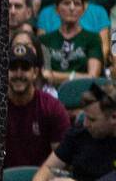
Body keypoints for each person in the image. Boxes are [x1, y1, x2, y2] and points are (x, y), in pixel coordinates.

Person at [14, 78, 116, 181]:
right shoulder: (80, 132)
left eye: (92, 119)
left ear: (114, 117)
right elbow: (48, 168)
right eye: (85, 116)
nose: (85, 124)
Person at [4, 37, 71, 168]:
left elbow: (63, 157)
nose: (18, 74)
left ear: (35, 72)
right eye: (13, 68)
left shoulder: (52, 107)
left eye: (24, 68)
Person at [39, 0, 103, 85]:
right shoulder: (45, 40)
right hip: (51, 93)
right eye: (66, 3)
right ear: (56, 9)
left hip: (83, 93)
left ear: (83, 10)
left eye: (77, 4)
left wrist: (57, 76)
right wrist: (77, 76)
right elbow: (45, 75)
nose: (72, 8)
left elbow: (92, 77)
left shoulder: (93, 38)